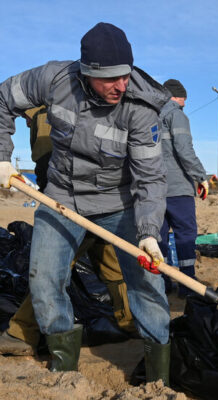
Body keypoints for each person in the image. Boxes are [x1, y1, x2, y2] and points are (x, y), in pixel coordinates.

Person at [0, 22, 172, 384]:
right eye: (110, 79)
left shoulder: (140, 108)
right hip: (62, 196)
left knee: (146, 281)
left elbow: (150, 178)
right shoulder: (54, 78)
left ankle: (159, 375)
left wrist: (149, 232)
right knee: (44, 277)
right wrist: (2, 156)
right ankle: (65, 372)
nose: (121, 86)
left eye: (125, 76)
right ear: (87, 72)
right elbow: (2, 98)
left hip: (121, 202)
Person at [0, 106, 135, 356]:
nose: (26, 123)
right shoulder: (56, 110)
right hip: (89, 195)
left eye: (26, 118)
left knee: (53, 267)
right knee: (110, 260)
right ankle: (130, 321)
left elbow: (48, 165)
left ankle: (22, 332)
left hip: (74, 200)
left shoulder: (49, 114)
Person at [158, 79, 209, 298]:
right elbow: (184, 150)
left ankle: (161, 282)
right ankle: (187, 283)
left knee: (159, 236)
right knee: (186, 235)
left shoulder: (150, 116)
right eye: (183, 99)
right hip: (178, 188)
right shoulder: (176, 115)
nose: (185, 104)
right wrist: (201, 176)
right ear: (175, 96)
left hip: (154, 189)